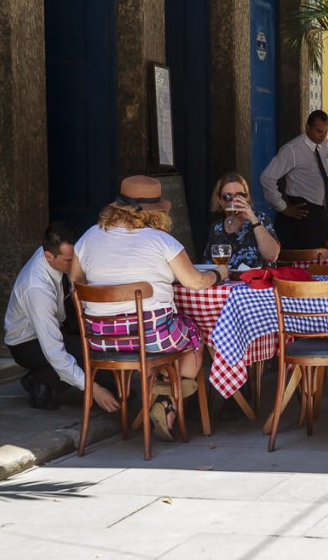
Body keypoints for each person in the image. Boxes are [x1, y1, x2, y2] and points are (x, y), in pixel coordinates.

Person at [70, 175, 229, 441]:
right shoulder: (162, 241)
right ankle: (166, 403)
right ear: (155, 212)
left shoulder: (88, 237)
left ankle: (158, 401)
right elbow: (196, 281)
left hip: (102, 340)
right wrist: (219, 273)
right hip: (153, 336)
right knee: (193, 336)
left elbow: (75, 282)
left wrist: (107, 289)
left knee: (176, 336)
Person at [4, 223, 121, 412]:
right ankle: (40, 379)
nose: (74, 264)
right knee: (94, 365)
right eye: (68, 260)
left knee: (101, 350)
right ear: (48, 256)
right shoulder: (37, 288)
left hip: (60, 322)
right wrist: (94, 391)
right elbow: (54, 351)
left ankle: (46, 377)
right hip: (27, 344)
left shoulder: (55, 253)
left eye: (76, 257)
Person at [259, 110, 328, 250]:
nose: (323, 136)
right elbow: (267, 177)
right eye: (319, 131)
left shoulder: (327, 146)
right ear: (307, 128)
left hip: (321, 210)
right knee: (304, 254)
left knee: (326, 247)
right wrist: (282, 206)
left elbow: (327, 174)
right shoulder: (292, 150)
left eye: (326, 131)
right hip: (301, 209)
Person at [203, 172, 280, 269]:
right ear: (220, 201)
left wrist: (253, 219)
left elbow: (272, 256)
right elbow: (208, 264)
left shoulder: (260, 218)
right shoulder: (216, 228)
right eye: (227, 197)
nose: (234, 201)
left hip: (257, 282)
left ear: (246, 198)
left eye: (239, 196)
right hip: (227, 282)